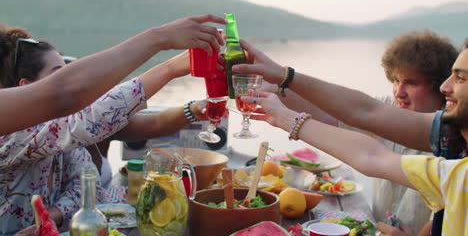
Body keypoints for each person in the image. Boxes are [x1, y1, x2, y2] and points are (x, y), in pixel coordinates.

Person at [0, 15, 225, 235]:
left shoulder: (63, 137)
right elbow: (80, 104)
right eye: (60, 75)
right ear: (26, 87)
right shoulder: (14, 133)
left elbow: (84, 187)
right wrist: (169, 60)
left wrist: (54, 214)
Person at [234, 39, 468, 235]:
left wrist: (286, 116)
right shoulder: (446, 131)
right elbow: (362, 113)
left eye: (460, 78)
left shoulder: (457, 172)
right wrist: (279, 82)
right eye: (396, 80)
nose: (445, 87)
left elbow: (371, 156)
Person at [0, 14, 225, 136]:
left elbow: (138, 122)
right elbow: (69, 95)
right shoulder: (20, 132)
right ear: (25, 86)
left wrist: (193, 107)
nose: (68, 76)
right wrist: (162, 41)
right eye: (59, 74)